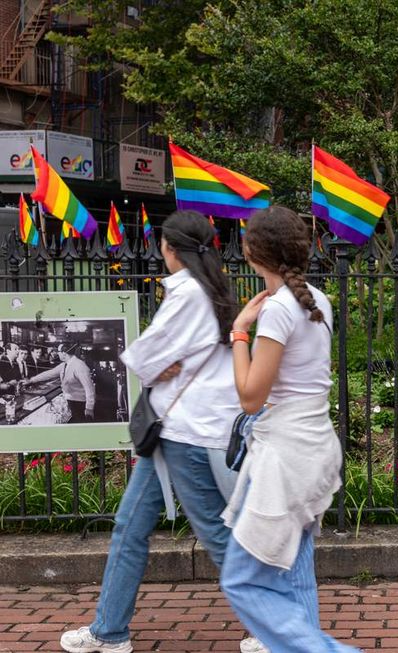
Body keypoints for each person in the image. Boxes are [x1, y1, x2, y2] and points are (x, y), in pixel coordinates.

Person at [59, 211, 267, 653]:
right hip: (172, 428)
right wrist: (158, 362)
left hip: (183, 431)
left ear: (169, 247)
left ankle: (275, 626)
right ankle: (109, 630)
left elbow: (140, 355)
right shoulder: (209, 287)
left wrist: (157, 363)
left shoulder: (187, 293)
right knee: (129, 527)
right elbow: (154, 357)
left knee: (213, 532)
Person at [220, 206, 357, 653]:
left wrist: (240, 333)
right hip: (313, 445)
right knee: (296, 569)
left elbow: (251, 396)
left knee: (241, 579)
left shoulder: (279, 309)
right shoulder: (317, 299)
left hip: (285, 454)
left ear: (250, 252)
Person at [22, 343, 95, 422]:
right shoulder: (65, 364)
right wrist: (31, 380)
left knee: (80, 425)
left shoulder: (79, 365)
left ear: (64, 353)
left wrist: (89, 408)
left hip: (80, 404)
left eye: (59, 352)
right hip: (71, 401)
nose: (57, 354)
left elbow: (90, 389)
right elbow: (49, 373)